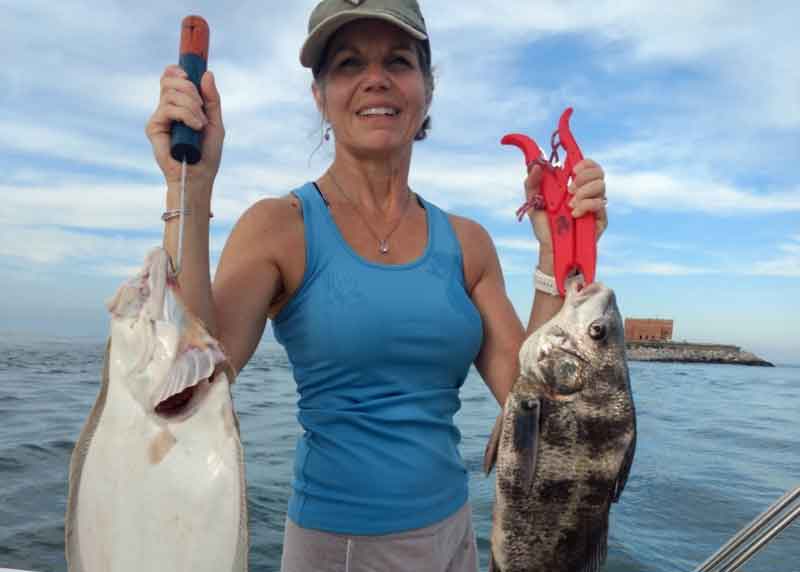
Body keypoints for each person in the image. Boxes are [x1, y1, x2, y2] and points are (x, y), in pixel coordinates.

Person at [145, 0, 608, 570]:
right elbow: (191, 379)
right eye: (347, 63)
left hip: (455, 536)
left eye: (398, 60)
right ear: (320, 96)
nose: (375, 79)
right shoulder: (279, 226)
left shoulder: (467, 242)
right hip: (337, 547)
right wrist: (189, 187)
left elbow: (528, 398)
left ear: (426, 89)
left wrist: (553, 251)